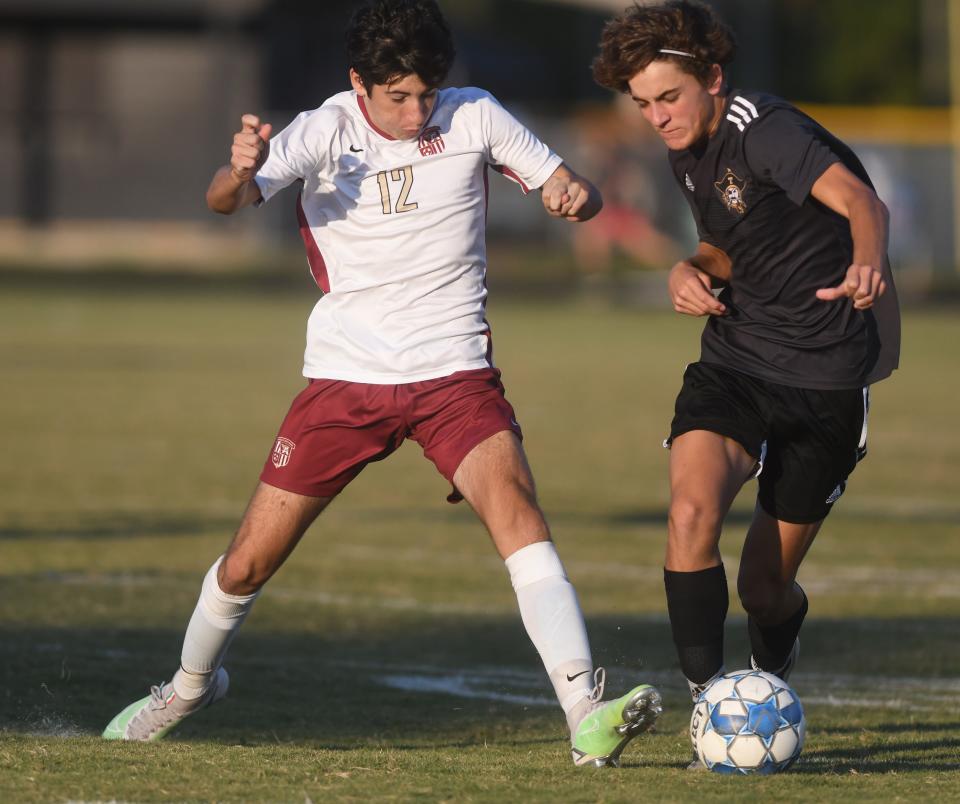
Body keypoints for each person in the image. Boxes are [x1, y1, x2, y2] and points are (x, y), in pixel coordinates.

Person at [101, 0, 661, 768]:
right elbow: (224, 202)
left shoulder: (476, 116)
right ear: (358, 83)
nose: (417, 110)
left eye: (428, 92)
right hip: (345, 381)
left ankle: (584, 712)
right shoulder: (324, 127)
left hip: (454, 375)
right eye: (397, 96)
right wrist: (237, 171)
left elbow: (578, 190)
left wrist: (575, 196)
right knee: (247, 565)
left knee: (518, 512)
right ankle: (188, 686)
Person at [591, 0, 900, 759]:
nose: (657, 117)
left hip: (824, 380)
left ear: (713, 80)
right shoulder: (684, 150)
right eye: (643, 105)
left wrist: (866, 261)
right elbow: (727, 250)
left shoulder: (766, 130)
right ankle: (710, 713)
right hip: (735, 360)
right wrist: (686, 269)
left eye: (669, 98)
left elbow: (862, 201)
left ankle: (769, 678)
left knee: (764, 588)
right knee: (690, 513)